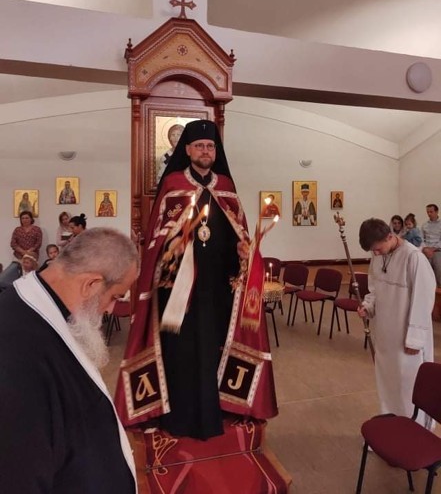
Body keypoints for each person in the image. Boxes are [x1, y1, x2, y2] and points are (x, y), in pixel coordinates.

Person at [115, 119, 277, 440]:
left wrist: (244, 250)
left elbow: (239, 232)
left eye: (210, 146)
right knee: (182, 351)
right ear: (187, 150)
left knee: (216, 346)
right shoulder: (173, 183)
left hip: (219, 289)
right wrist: (175, 241)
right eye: (200, 146)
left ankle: (219, 407)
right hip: (179, 289)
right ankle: (177, 414)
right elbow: (156, 237)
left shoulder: (226, 186)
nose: (205, 151)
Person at [0, 228, 140, 493]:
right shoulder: (19, 355)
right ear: (91, 285)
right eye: (114, 297)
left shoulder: (49, 311)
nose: (111, 309)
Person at [358, 218, 435, 427]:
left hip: (406, 339)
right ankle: (391, 427)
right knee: (387, 384)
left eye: (378, 248)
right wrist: (368, 306)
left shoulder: (413, 258)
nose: (376, 253)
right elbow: (374, 289)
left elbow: (423, 300)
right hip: (385, 336)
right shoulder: (377, 257)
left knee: (408, 386)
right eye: (372, 251)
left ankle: (415, 429)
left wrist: (415, 339)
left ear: (390, 236)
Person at [421, 203, 441, 286]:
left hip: (438, 250)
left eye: (431, 212)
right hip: (426, 250)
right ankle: (429, 288)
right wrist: (425, 249)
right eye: (427, 212)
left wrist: (432, 249)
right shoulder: (424, 225)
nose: (429, 214)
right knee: (425, 272)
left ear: (437, 212)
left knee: (439, 270)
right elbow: (421, 239)